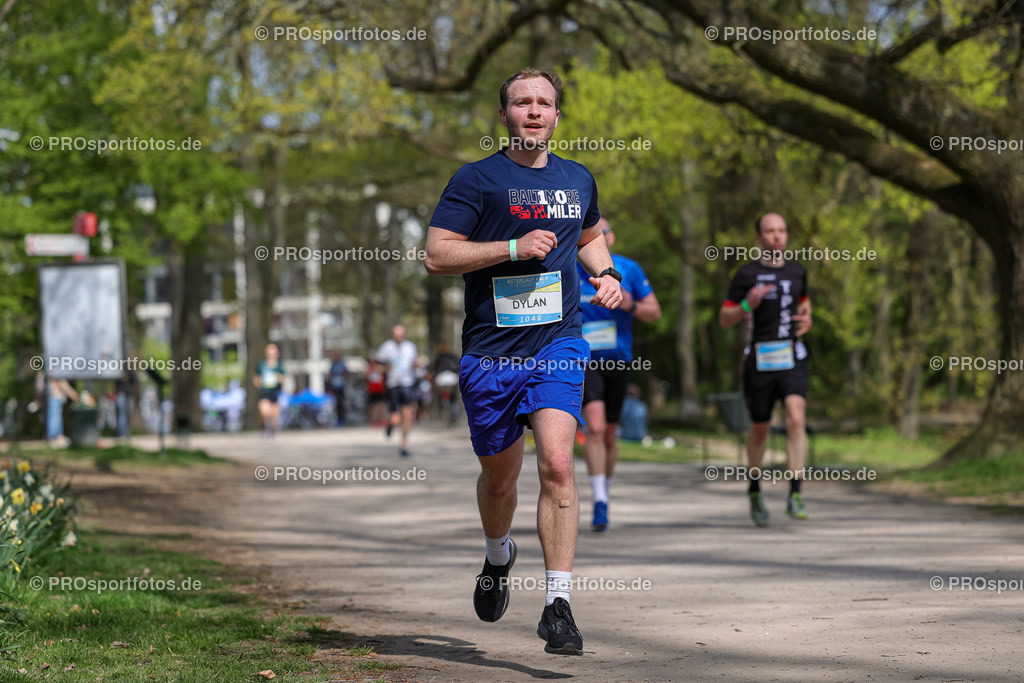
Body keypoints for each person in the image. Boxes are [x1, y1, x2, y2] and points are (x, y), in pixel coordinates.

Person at [424, 67, 622, 656]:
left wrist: (606, 275)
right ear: (505, 114)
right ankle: (497, 554)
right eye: (522, 102)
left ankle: (558, 605)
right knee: (500, 479)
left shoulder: (578, 178)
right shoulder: (477, 180)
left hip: (558, 344)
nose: (534, 111)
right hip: (490, 355)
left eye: (544, 103)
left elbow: (587, 237)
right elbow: (437, 255)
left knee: (559, 465)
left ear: (558, 116)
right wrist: (511, 247)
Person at [719, 212, 813, 527]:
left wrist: (807, 319)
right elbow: (725, 318)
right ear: (759, 237)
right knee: (759, 428)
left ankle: (796, 492)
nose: (777, 236)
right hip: (759, 360)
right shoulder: (746, 274)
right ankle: (755, 489)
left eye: (782, 230)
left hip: (792, 356)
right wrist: (748, 305)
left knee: (796, 418)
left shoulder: (798, 271)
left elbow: (804, 305)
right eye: (770, 231)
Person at [577, 218, 661, 532]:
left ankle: (604, 494)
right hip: (584, 360)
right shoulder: (571, 269)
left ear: (610, 238)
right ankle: (598, 500)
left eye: (605, 231)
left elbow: (655, 312)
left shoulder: (630, 269)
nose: (601, 236)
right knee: (595, 427)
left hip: (617, 360)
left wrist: (630, 305)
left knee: (610, 432)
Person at [376, 325, 419, 457]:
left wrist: (416, 366)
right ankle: (390, 424)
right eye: (396, 336)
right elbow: (378, 367)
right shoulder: (386, 347)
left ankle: (404, 445)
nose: (399, 338)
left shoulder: (410, 347)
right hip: (393, 385)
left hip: (407, 383)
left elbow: (416, 364)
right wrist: (385, 369)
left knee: (407, 415)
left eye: (401, 335)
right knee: (395, 418)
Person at [253, 343, 285, 438]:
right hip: (264, 393)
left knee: (274, 415)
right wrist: (259, 383)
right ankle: (263, 428)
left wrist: (277, 378)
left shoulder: (279, 366)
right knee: (265, 412)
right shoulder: (261, 365)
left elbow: (283, 378)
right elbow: (256, 378)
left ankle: (271, 431)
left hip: (275, 393)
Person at [39, 372, 78, 446]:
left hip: (51, 397)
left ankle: (55, 437)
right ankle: (55, 438)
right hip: (55, 396)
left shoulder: (46, 371)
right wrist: (71, 393)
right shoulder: (55, 370)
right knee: (55, 418)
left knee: (53, 417)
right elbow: (62, 383)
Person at [432, 342, 460, 426]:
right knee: (454, 397)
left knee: (438, 394)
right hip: (452, 379)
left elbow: (434, 368)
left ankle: (440, 407)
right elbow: (458, 366)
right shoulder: (452, 356)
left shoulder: (438, 357)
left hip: (441, 379)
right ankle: (454, 413)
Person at [364, 358, 389, 426]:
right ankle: (374, 421)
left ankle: (382, 420)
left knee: (382, 406)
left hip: (381, 390)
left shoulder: (380, 368)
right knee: (373, 407)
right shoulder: (369, 369)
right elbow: (365, 377)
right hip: (372, 390)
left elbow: (386, 372)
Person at [327, 352, 348, 426]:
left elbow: (346, 373)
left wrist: (343, 373)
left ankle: (343, 419)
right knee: (336, 403)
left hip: (341, 386)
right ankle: (337, 419)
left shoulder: (342, 364)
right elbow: (330, 374)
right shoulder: (333, 365)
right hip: (335, 386)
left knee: (341, 403)